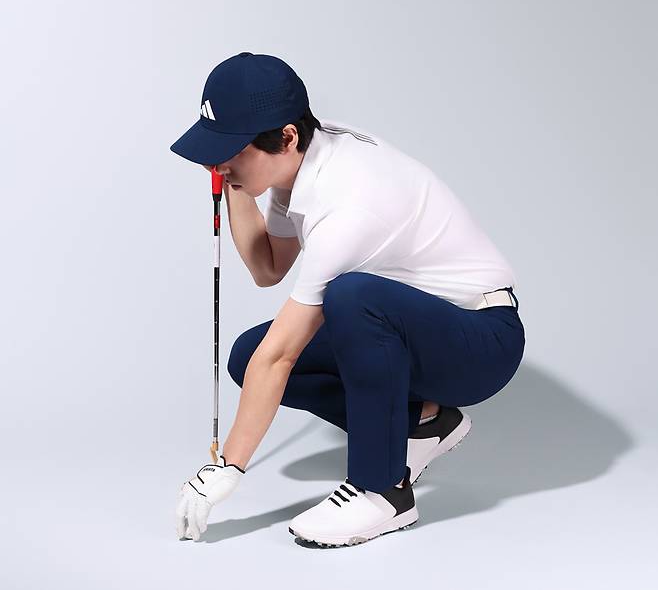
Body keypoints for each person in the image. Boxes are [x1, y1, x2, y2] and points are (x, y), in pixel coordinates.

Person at [170, 51, 526, 547]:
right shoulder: (301, 162)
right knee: (248, 356)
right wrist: (234, 180)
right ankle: (423, 425)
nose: (218, 162)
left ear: (286, 137)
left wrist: (227, 467)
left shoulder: (350, 202)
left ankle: (382, 491)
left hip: (481, 341)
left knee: (351, 298)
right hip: (417, 327)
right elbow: (268, 267)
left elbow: (282, 355)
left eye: (230, 149)